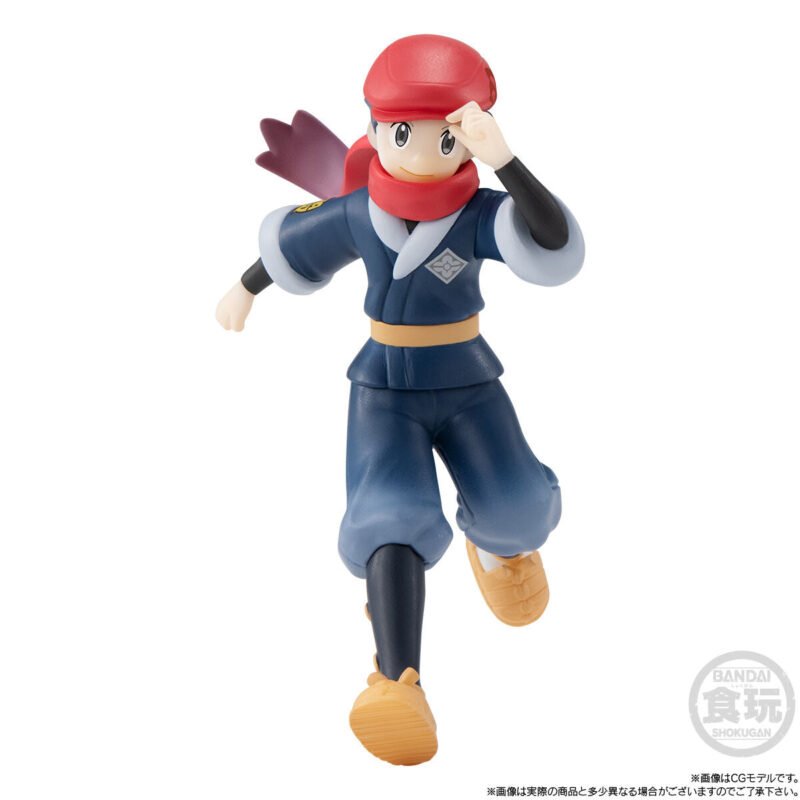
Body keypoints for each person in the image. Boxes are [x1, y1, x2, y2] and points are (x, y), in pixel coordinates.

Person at [216, 33, 585, 765]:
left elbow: (551, 243)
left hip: (468, 379)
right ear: (377, 128)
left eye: (446, 137)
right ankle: (398, 684)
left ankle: (498, 545)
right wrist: (245, 288)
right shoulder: (360, 213)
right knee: (389, 517)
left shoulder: (478, 214)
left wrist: (508, 161)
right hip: (384, 389)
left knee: (516, 502)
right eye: (404, 132)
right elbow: (297, 245)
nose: (422, 152)